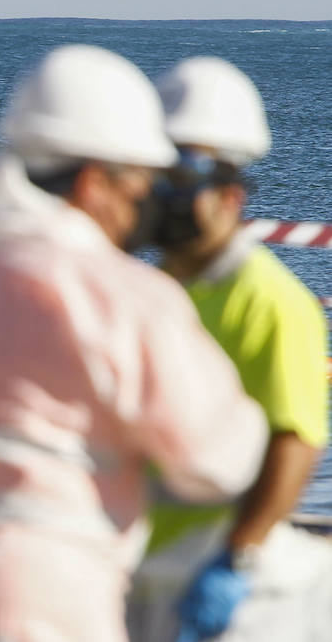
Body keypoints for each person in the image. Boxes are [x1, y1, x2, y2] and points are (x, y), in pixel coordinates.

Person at [0, 45, 269, 642]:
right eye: (139, 186)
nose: (142, 207)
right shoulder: (122, 295)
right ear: (95, 183)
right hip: (40, 592)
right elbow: (217, 462)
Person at [127, 57, 332, 642]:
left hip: (237, 582)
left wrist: (237, 557)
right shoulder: (157, 291)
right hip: (151, 561)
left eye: (184, 177)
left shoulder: (267, 300)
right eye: (156, 173)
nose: (165, 195)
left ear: (231, 194)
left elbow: (296, 438)